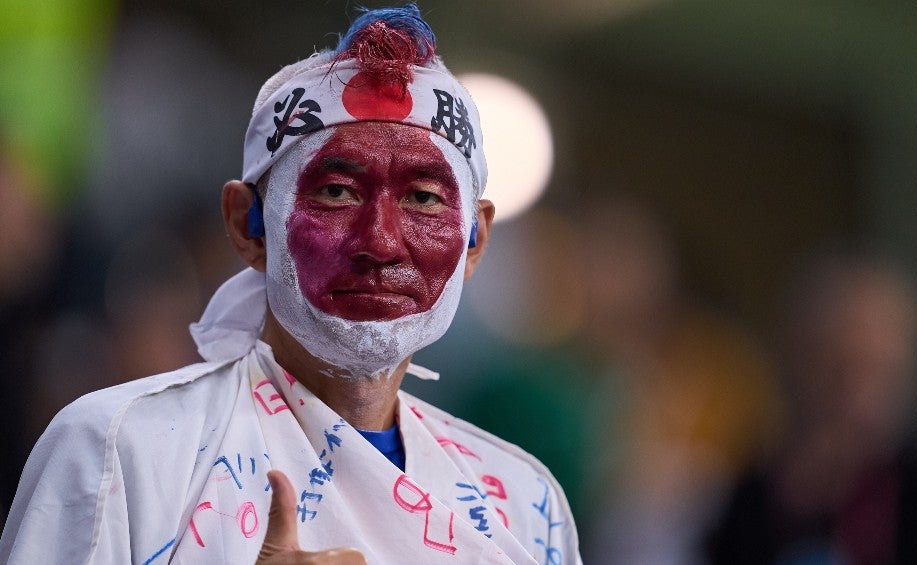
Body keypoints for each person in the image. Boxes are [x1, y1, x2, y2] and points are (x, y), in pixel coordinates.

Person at [0, 5, 580, 564]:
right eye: (336, 191)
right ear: (246, 226)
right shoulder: (120, 451)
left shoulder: (523, 502)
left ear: (473, 241)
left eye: (423, 198)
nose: (380, 241)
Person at [704, 247, 917, 564]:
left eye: (877, 367)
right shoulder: (751, 495)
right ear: (793, 360)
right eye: (834, 364)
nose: (855, 390)